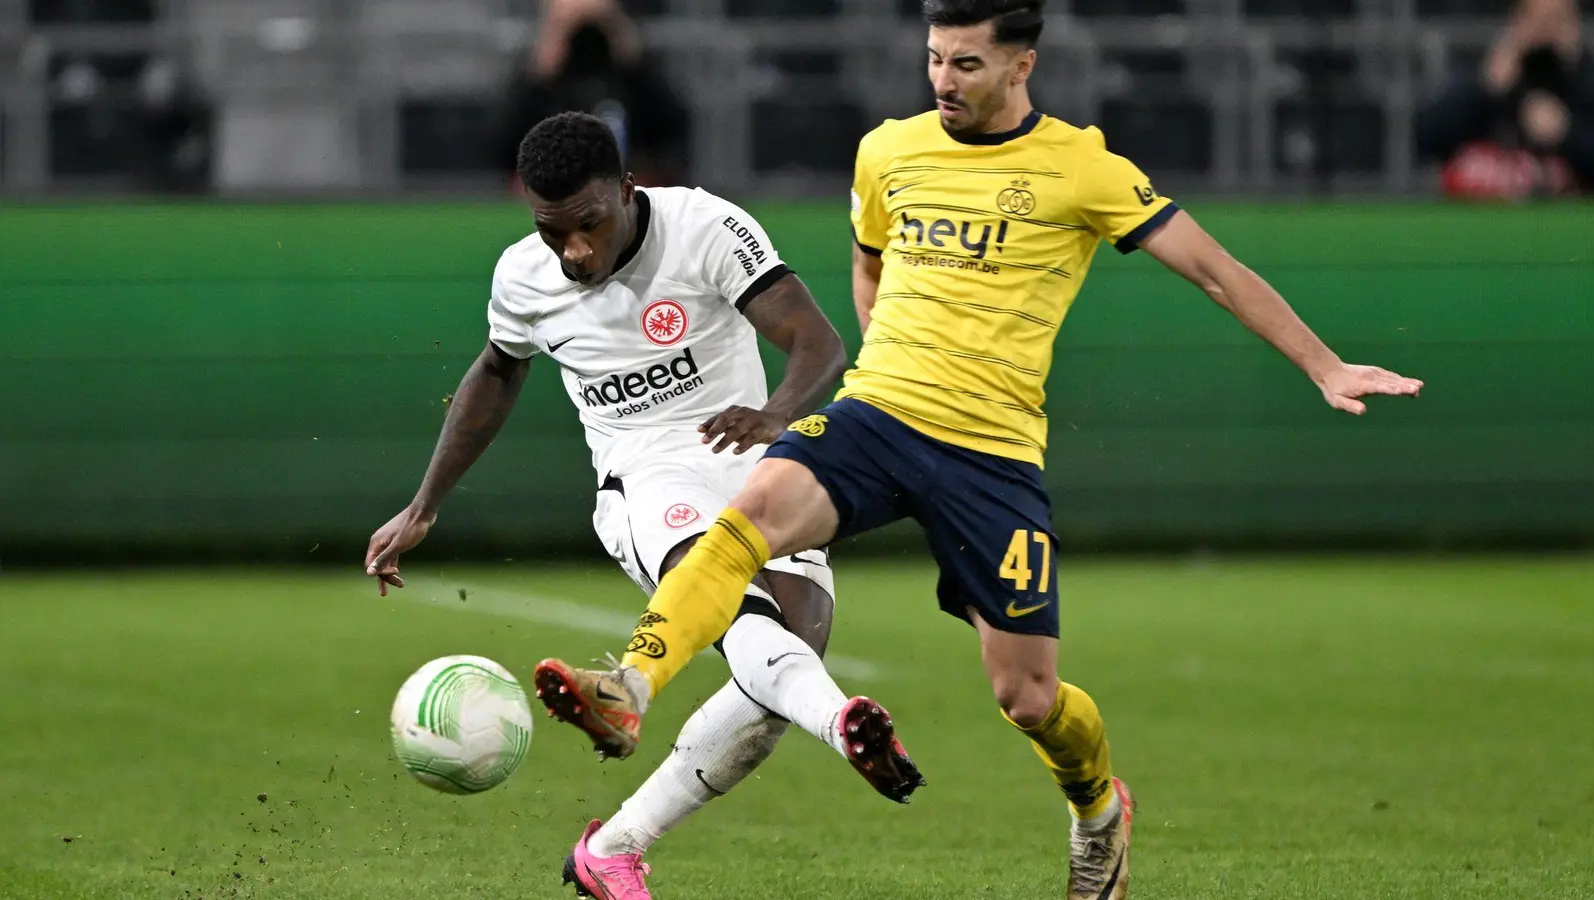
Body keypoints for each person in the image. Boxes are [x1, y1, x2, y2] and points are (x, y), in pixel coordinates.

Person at [527, 1, 1425, 897]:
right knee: (748, 516)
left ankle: (1098, 809)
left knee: (1027, 698)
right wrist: (881, 346)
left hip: (991, 454)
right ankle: (631, 685)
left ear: (1020, 67)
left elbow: (1213, 268)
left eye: (965, 65)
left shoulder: (1082, 167)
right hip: (880, 415)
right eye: (933, 61)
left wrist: (1323, 365)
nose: (943, 82)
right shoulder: (889, 150)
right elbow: (869, 255)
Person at [364, 111, 922, 900]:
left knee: (784, 665)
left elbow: (818, 342)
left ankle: (615, 846)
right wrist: (424, 504)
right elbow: (497, 372)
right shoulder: (524, 276)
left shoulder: (704, 226)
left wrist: (776, 415)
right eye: (554, 233)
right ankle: (833, 726)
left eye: (589, 224)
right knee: (741, 620)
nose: (575, 251)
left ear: (628, 190)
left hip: (751, 461)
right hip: (646, 476)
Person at [488, 0, 691, 190]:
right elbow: (501, 149)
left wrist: (632, 61)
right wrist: (540, 72)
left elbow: (672, 133)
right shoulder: (540, 82)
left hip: (625, 187)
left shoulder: (631, 80)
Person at [1416, 0, 1594, 196]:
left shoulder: (1588, 81)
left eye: (1558, 19)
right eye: (1537, 18)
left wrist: (1566, 131)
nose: (1546, 28)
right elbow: (1426, 137)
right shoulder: (1486, 72)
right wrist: (1484, 89)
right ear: (1516, 20)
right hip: (1480, 215)